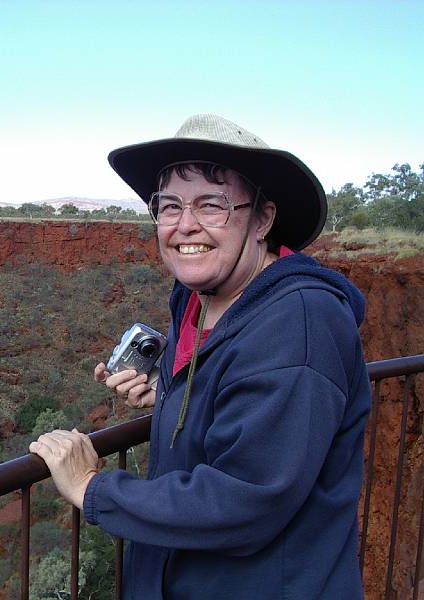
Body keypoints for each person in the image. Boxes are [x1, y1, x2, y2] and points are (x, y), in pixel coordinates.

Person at [29, 114, 371, 599]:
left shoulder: (299, 322)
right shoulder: (202, 299)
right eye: (169, 206)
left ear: (263, 219)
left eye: (212, 205)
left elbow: (248, 498)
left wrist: (91, 489)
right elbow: (238, 399)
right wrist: (168, 395)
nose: (185, 225)